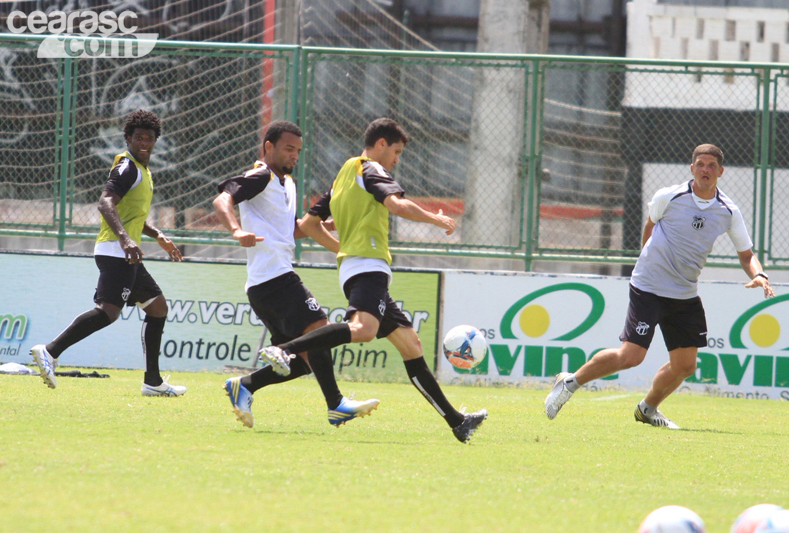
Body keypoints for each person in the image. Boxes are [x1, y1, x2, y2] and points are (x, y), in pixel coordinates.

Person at [259, 118, 488, 443]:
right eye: (395, 152)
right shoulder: (371, 169)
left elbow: (309, 225)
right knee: (363, 330)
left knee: (411, 346)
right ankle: (286, 350)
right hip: (368, 265)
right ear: (380, 144)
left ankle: (457, 422)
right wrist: (434, 218)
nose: (396, 159)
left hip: (359, 264)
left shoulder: (344, 174)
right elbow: (396, 203)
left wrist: (346, 249)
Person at [545, 144, 776, 429]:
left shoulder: (728, 210)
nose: (705, 169)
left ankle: (647, 409)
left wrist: (760, 275)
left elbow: (747, 255)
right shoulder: (670, 196)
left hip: (684, 292)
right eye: (700, 164)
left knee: (685, 366)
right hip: (649, 287)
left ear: (720, 172)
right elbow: (650, 226)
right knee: (631, 356)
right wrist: (647, 261)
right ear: (692, 168)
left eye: (711, 166)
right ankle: (569, 382)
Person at [212, 120, 379, 428]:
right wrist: (236, 230)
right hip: (274, 278)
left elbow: (289, 230)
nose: (294, 156)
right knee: (319, 327)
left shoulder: (285, 183)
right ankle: (336, 404)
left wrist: (325, 227)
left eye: (298, 151)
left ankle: (245, 386)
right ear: (268, 147)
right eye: (288, 149)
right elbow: (222, 199)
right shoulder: (260, 175)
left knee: (301, 361)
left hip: (265, 283)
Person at [30, 110, 187, 396]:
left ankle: (152, 382)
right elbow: (105, 203)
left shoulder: (143, 171)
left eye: (149, 138)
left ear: (155, 141)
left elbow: (133, 215)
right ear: (127, 138)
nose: (143, 142)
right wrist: (126, 239)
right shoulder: (126, 168)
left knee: (157, 307)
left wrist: (158, 235)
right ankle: (49, 351)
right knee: (109, 312)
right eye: (138, 137)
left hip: (127, 253)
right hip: (117, 251)